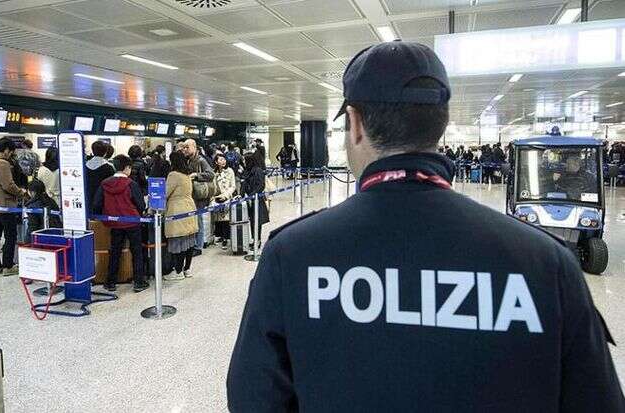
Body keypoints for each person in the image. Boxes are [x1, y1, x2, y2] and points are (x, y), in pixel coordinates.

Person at [227, 41, 625, 412]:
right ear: (440, 125)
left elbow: (254, 398)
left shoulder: (292, 254)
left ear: (356, 123)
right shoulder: (544, 263)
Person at [92, 155, 148, 293]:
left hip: (114, 223)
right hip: (132, 222)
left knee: (115, 251)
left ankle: (110, 282)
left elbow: (96, 204)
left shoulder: (105, 183)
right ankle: (138, 282)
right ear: (127, 168)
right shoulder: (131, 184)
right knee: (136, 251)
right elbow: (140, 204)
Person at [0, 137, 27, 275]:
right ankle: (8, 265)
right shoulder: (2, 163)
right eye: (11, 152)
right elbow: (8, 185)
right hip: (5, 204)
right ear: (6, 150)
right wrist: (21, 192)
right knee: (10, 234)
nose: (11, 155)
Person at [163, 151, 198, 281]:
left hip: (177, 210)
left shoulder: (173, 175)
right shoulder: (187, 174)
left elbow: (165, 193)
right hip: (190, 207)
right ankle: (187, 269)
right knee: (189, 241)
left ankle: (177, 271)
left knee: (178, 241)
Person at [182, 138, 215, 256]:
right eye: (184, 147)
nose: (185, 149)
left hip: (199, 196)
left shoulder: (201, 160)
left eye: (187, 147)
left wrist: (196, 175)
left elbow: (211, 174)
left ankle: (198, 245)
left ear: (194, 147)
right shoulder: (188, 160)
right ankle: (194, 244)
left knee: (198, 220)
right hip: (191, 195)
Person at [240, 153, 269, 249]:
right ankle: (254, 239)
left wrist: (251, 196)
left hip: (257, 200)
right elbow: (243, 183)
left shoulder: (258, 171)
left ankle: (258, 240)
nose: (243, 162)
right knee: (252, 221)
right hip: (248, 201)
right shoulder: (246, 171)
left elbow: (261, 185)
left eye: (245, 160)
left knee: (257, 221)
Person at [213, 153, 236, 250]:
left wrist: (226, 196)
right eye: (220, 159)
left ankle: (226, 238)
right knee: (218, 219)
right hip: (217, 198)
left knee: (226, 218)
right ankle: (220, 236)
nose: (223, 161)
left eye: (224, 159)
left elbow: (233, 186)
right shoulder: (214, 173)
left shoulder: (230, 171)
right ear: (216, 162)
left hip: (227, 197)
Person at [85, 141, 115, 212]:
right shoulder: (109, 167)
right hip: (103, 198)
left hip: (88, 196)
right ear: (105, 153)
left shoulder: (85, 165)